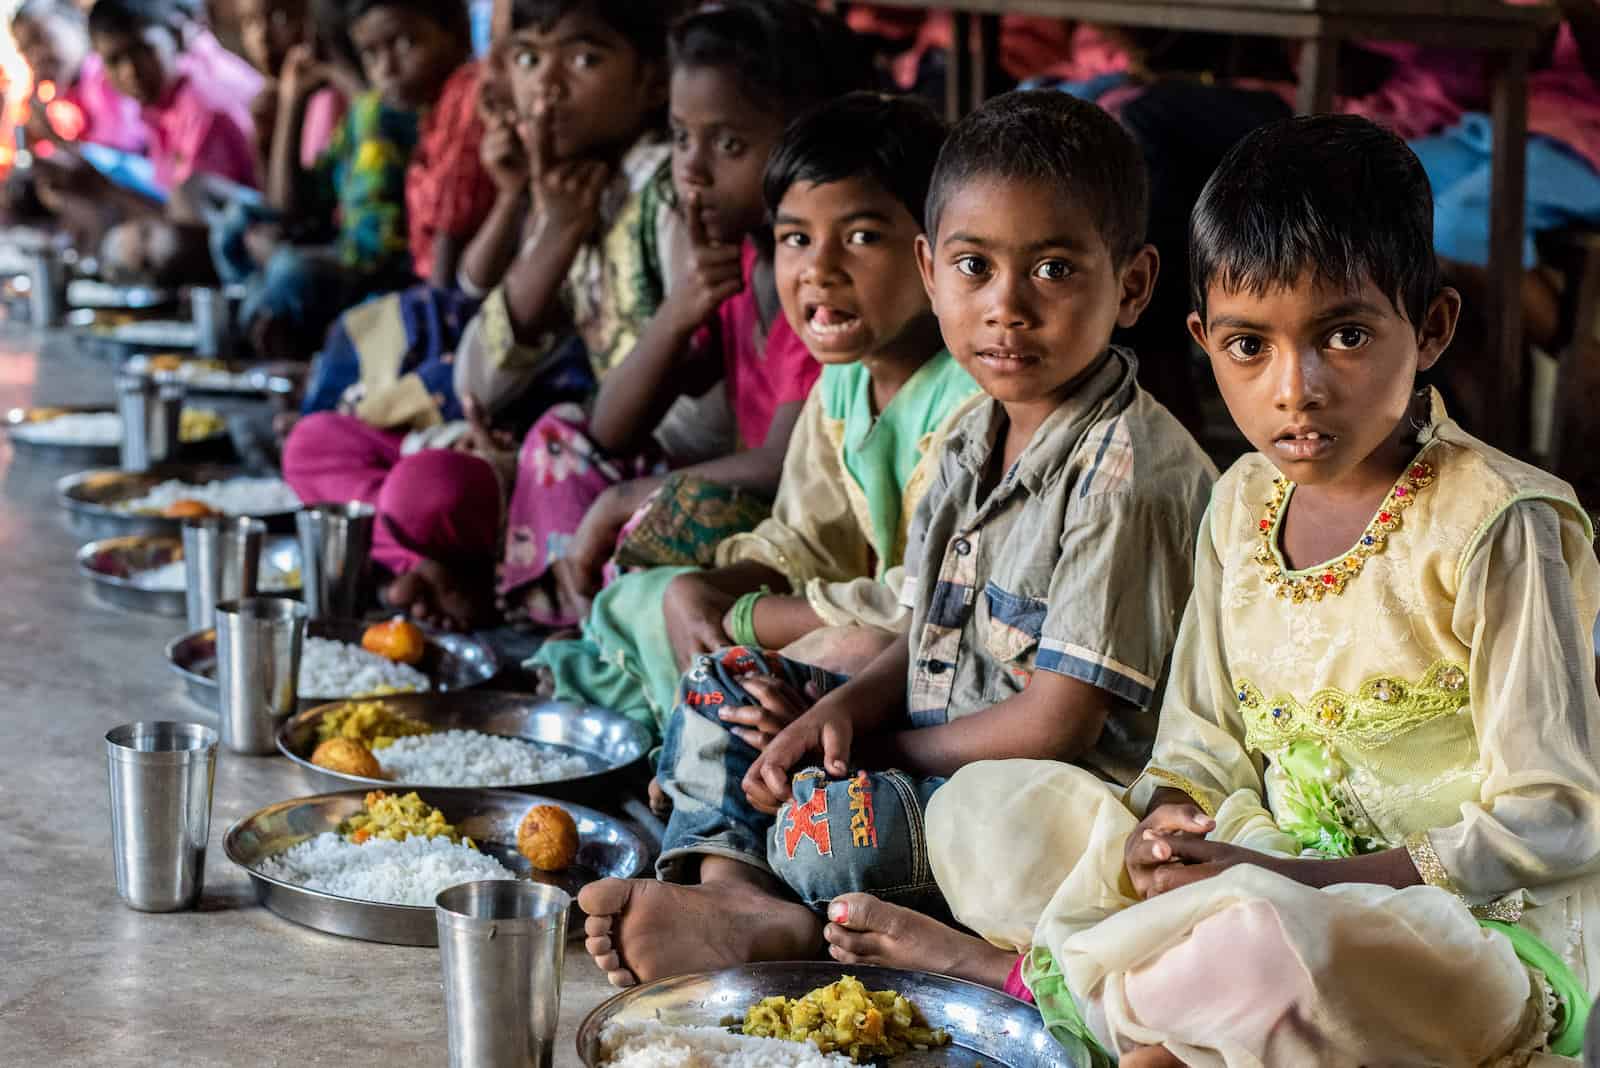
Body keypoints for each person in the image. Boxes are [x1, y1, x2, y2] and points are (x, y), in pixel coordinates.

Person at [821, 114, 1600, 1068]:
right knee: (983, 812)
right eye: (1249, 347)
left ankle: (1030, 984)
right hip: (1251, 873)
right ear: (1202, 341)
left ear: (1431, 328)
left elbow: (1554, 820)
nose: (1296, 389)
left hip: (1463, 930)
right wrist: (1171, 824)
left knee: (1289, 947)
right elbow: (1199, 740)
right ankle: (1178, 1017)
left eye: (1344, 335)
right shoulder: (1239, 501)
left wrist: (1298, 881)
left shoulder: (1502, 521)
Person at [577, 90, 1217, 989]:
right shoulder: (968, 437)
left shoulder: (1127, 471)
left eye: (1055, 270)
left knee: (847, 828)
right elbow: (922, 638)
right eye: (973, 266)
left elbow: (1057, 721)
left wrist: (875, 751)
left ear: (1134, 286)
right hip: (927, 742)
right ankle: (736, 896)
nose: (1007, 308)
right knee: (724, 684)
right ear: (930, 270)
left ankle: (795, 926)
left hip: (1035, 799)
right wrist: (831, 716)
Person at [531, 91, 980, 744]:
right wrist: (703, 590)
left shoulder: (969, 397)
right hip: (834, 616)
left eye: (860, 237)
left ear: (930, 253)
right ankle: (705, 718)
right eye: (796, 238)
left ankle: (693, 735)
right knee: (654, 594)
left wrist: (742, 616)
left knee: (845, 655)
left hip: (913, 645)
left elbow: (920, 603)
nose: (818, 270)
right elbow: (804, 539)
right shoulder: (844, 381)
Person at [282, 0, 679, 632]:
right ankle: (445, 568)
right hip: (530, 451)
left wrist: (557, 231)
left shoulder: (670, 192)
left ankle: (457, 573)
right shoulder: (565, 178)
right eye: (527, 59)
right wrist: (541, 218)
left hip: (605, 479)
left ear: (654, 79)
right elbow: (480, 370)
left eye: (583, 59)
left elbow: (674, 427)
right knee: (315, 444)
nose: (545, 87)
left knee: (426, 490)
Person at [234, 0, 472, 361]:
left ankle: (272, 336)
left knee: (290, 271)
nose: (387, 68)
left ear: (456, 36)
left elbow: (403, 257)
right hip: (348, 258)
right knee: (240, 226)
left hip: (390, 278)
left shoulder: (443, 114)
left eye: (405, 44)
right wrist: (291, 105)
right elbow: (289, 205)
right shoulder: (368, 112)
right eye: (371, 53)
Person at [10, 0, 145, 154]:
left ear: (71, 22)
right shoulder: (62, 99)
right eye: (26, 49)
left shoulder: (108, 76)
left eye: (40, 38)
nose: (36, 56)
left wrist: (74, 154)